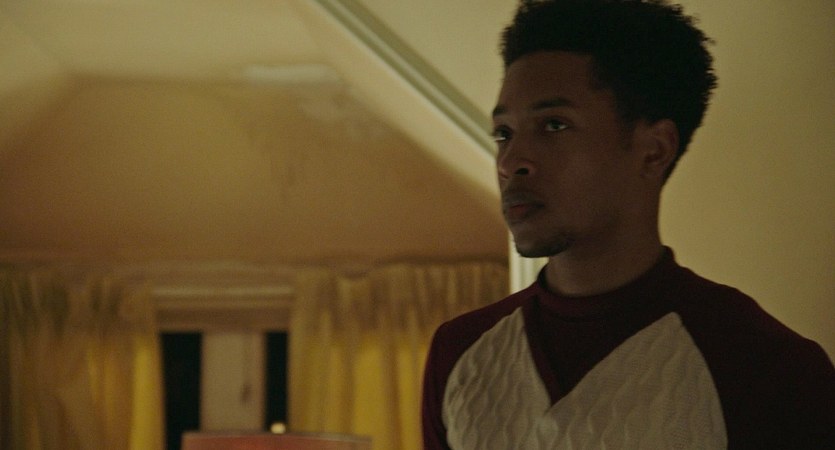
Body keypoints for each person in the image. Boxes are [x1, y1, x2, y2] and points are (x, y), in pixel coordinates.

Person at [420, 0, 835, 448]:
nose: (511, 162)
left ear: (654, 150)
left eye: (554, 125)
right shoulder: (459, 354)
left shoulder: (766, 368)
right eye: (504, 133)